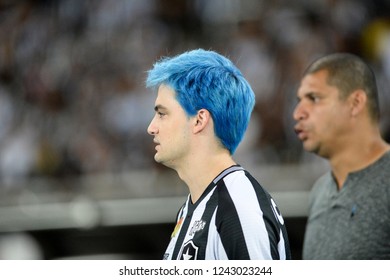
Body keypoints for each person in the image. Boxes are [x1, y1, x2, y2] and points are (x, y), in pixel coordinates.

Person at [146, 49, 291, 260]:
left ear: (199, 120)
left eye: (162, 114)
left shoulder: (239, 207)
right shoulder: (194, 207)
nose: (151, 127)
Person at [294, 53, 390, 259]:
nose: (298, 113)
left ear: (355, 103)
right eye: (299, 100)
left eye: (314, 98)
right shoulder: (320, 191)